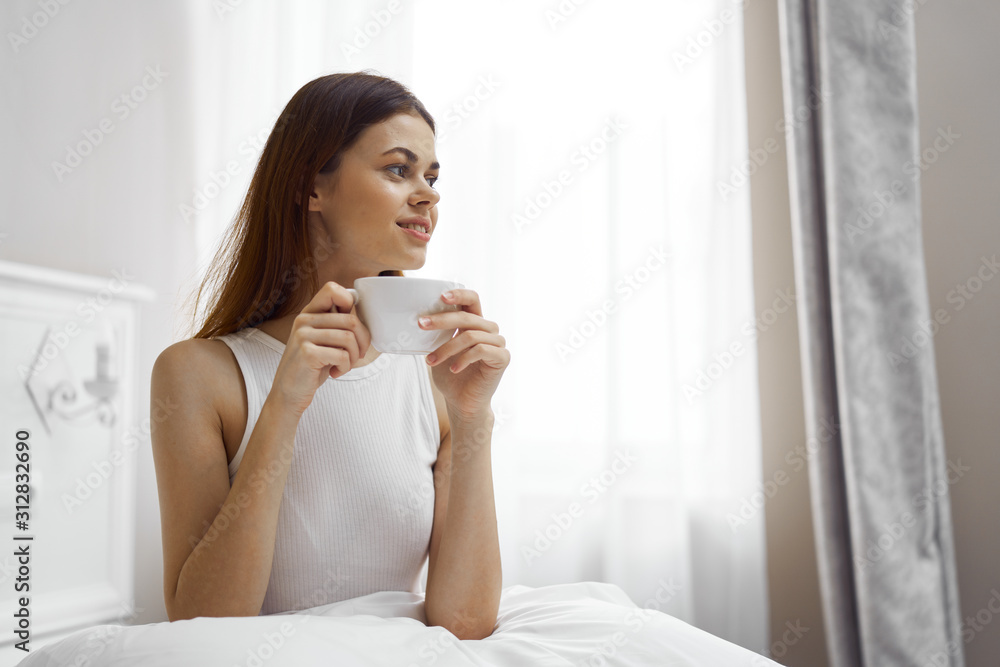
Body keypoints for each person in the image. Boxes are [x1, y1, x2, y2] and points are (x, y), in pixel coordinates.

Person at [149, 71, 510, 641]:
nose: (429, 194)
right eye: (398, 169)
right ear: (311, 187)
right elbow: (202, 625)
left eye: (432, 176)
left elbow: (466, 623)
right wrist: (285, 402)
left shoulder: (435, 381)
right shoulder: (199, 375)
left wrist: (472, 419)